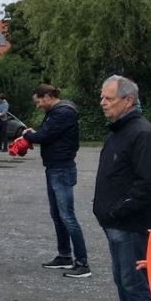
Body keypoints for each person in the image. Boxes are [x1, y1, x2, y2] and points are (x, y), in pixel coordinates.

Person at [95, 75, 151, 301]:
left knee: (136, 285)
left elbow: (148, 185)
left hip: (131, 226)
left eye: (109, 98)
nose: (103, 103)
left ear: (128, 100)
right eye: (103, 97)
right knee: (124, 283)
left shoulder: (142, 133)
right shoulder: (118, 131)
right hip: (116, 225)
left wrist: (118, 210)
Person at [21, 84, 89, 278]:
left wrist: (28, 135)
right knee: (57, 214)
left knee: (67, 215)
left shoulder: (61, 113)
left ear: (48, 96)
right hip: (54, 167)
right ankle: (65, 255)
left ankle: (83, 263)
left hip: (61, 168)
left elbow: (44, 136)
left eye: (39, 101)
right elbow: (47, 133)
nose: (38, 105)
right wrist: (35, 134)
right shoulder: (56, 112)